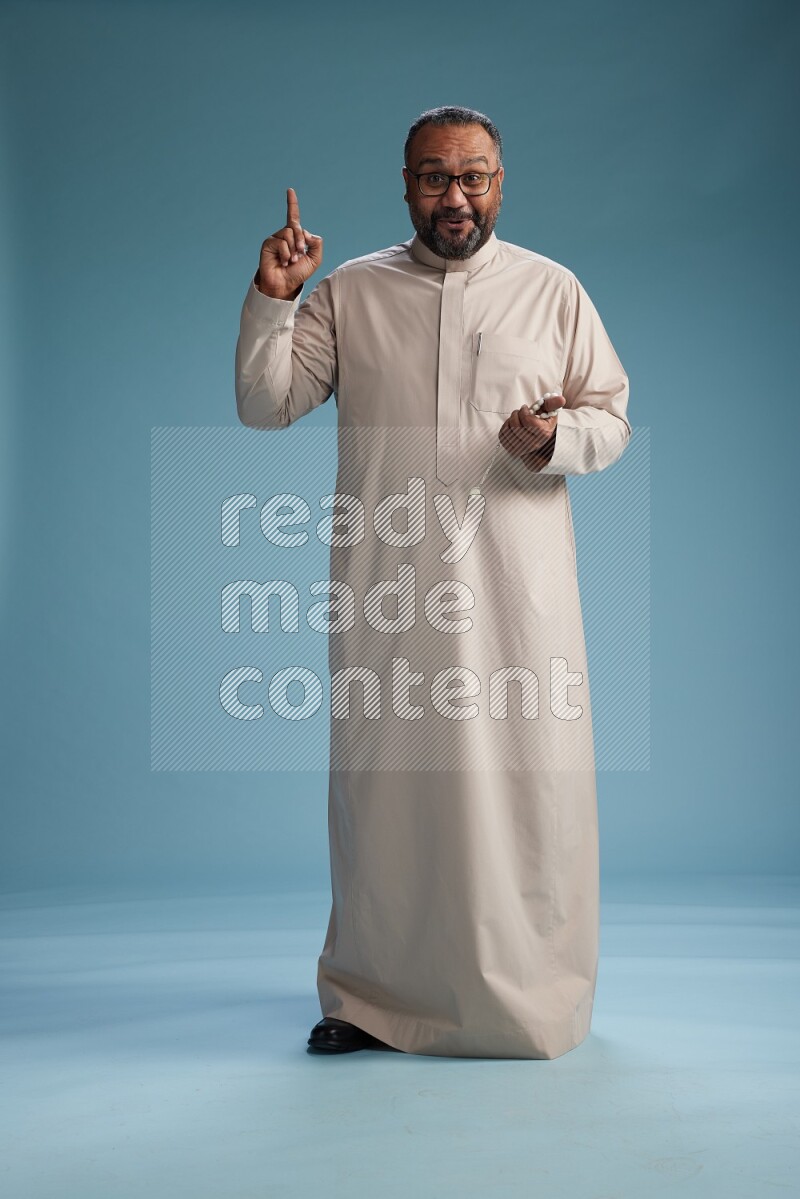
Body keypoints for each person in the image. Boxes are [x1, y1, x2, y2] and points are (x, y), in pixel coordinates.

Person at [235, 105, 632, 1059]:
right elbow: (265, 405)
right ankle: (373, 998)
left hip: (515, 594)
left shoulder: (552, 289)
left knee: (527, 789)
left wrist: (553, 440)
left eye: (474, 176)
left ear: (501, 181)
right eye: (433, 177)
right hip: (390, 590)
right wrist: (273, 296)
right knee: (387, 795)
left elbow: (610, 417)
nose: (454, 196)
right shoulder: (354, 291)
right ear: (405, 183)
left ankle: (532, 996)